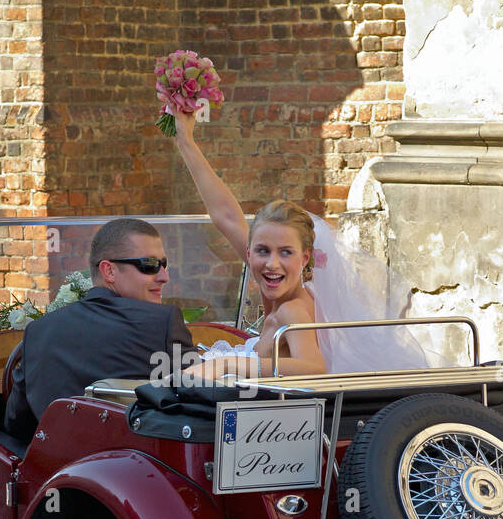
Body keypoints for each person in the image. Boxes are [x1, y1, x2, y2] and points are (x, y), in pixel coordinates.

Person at [170, 105, 446, 378]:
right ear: (249, 252)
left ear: (305, 258)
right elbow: (227, 217)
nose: (271, 263)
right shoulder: (284, 287)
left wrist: (227, 365)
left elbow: (314, 368)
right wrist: (185, 139)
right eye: (262, 251)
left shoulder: (292, 309)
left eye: (286, 252)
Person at [4, 218, 196, 439]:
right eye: (150, 265)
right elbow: (197, 404)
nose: (164, 276)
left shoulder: (38, 331)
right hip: (137, 464)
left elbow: (17, 423)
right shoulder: (163, 322)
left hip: (59, 466)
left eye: (164, 264)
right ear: (109, 271)